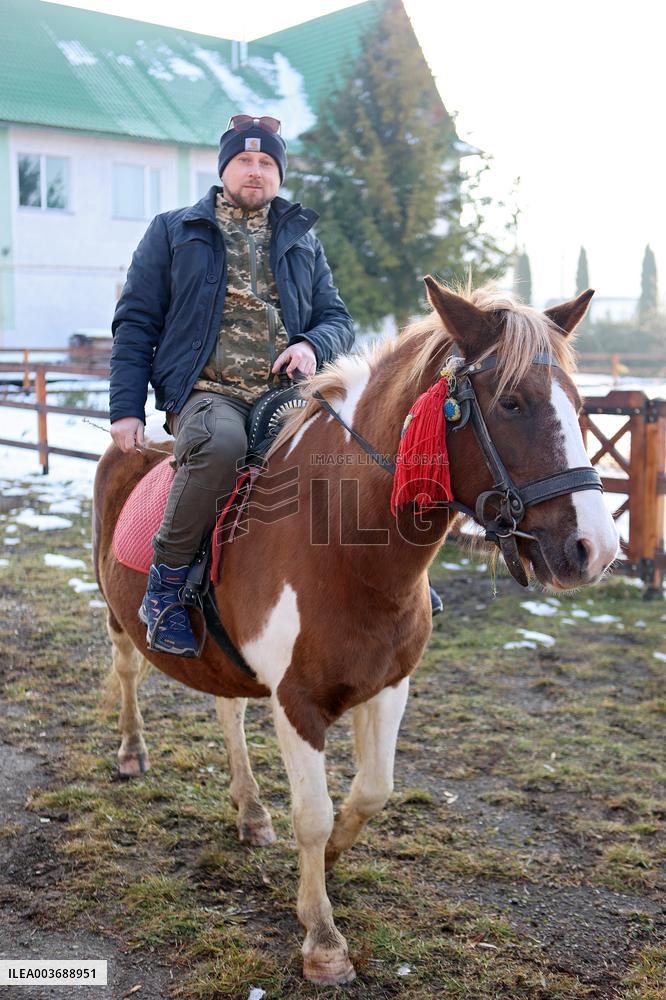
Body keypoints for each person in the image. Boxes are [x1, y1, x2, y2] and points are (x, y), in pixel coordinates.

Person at [109, 114, 354, 656]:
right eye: (244, 160)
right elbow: (136, 322)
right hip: (207, 391)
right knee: (223, 446)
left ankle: (373, 577)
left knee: (340, 450)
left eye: (267, 162)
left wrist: (312, 345)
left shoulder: (302, 239)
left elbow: (337, 317)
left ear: (279, 175)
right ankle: (167, 585)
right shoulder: (174, 230)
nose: (255, 170)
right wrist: (126, 408)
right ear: (223, 169)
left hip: (285, 392)